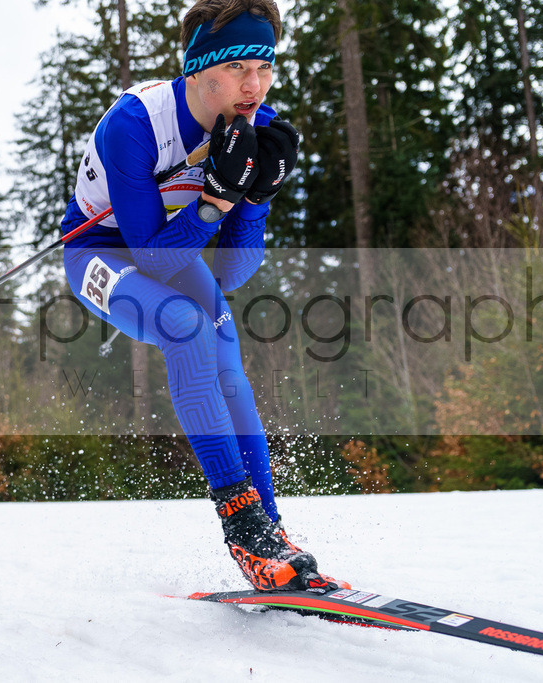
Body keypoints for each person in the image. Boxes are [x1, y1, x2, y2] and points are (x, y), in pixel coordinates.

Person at [61, 0, 345, 592]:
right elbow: (153, 259)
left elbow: (235, 271)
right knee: (185, 327)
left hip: (173, 248)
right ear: (198, 69)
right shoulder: (135, 124)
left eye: (265, 67)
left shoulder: (256, 125)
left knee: (225, 351)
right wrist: (215, 200)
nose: (255, 85)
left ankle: (271, 531)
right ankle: (241, 525)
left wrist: (257, 197)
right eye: (239, 66)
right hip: (102, 254)